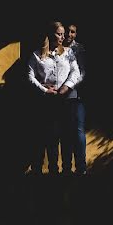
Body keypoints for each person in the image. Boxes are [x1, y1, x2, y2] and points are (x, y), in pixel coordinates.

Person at [26, 21, 81, 174]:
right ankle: (52, 171)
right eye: (59, 34)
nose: (62, 37)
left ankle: (67, 170)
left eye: (63, 34)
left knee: (67, 137)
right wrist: (44, 89)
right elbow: (30, 76)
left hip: (66, 100)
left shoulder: (69, 53)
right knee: (50, 136)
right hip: (47, 102)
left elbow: (75, 72)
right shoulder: (37, 55)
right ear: (50, 34)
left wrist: (66, 86)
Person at [61, 23, 87, 175]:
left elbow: (82, 72)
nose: (70, 35)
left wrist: (69, 87)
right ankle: (66, 168)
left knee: (78, 131)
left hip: (76, 96)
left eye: (73, 32)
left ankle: (81, 168)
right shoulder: (57, 48)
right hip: (61, 97)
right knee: (65, 132)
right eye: (68, 31)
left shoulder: (79, 49)